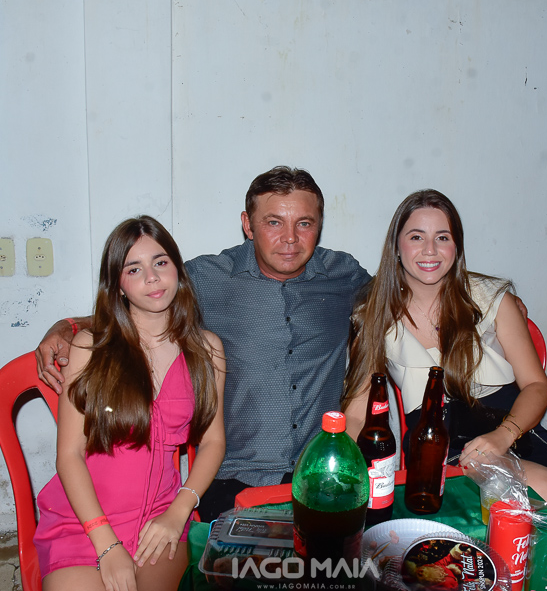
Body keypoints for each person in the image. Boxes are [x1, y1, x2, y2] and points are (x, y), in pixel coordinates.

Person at [341, 190, 547, 591]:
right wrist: (350, 469)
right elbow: (357, 411)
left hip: (512, 426)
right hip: (437, 445)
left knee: (546, 488)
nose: (430, 250)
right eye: (416, 236)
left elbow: (537, 386)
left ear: (457, 246)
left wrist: (503, 436)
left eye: (443, 237)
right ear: (396, 246)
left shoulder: (492, 299)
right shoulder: (375, 312)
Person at [35, 167, 372, 521]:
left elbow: (396, 299)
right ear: (248, 224)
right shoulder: (207, 278)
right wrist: (67, 326)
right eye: (273, 222)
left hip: (323, 473)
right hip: (233, 477)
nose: (290, 238)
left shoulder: (343, 275)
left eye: (304, 223)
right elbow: (137, 306)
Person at [32, 216, 226, 591]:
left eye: (160, 262)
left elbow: (214, 442)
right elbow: (69, 454)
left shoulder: (207, 350)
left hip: (161, 517)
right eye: (134, 269)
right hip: (84, 522)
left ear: (178, 269)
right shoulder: (90, 348)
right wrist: (106, 544)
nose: (152, 278)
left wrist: (179, 511)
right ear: (117, 285)